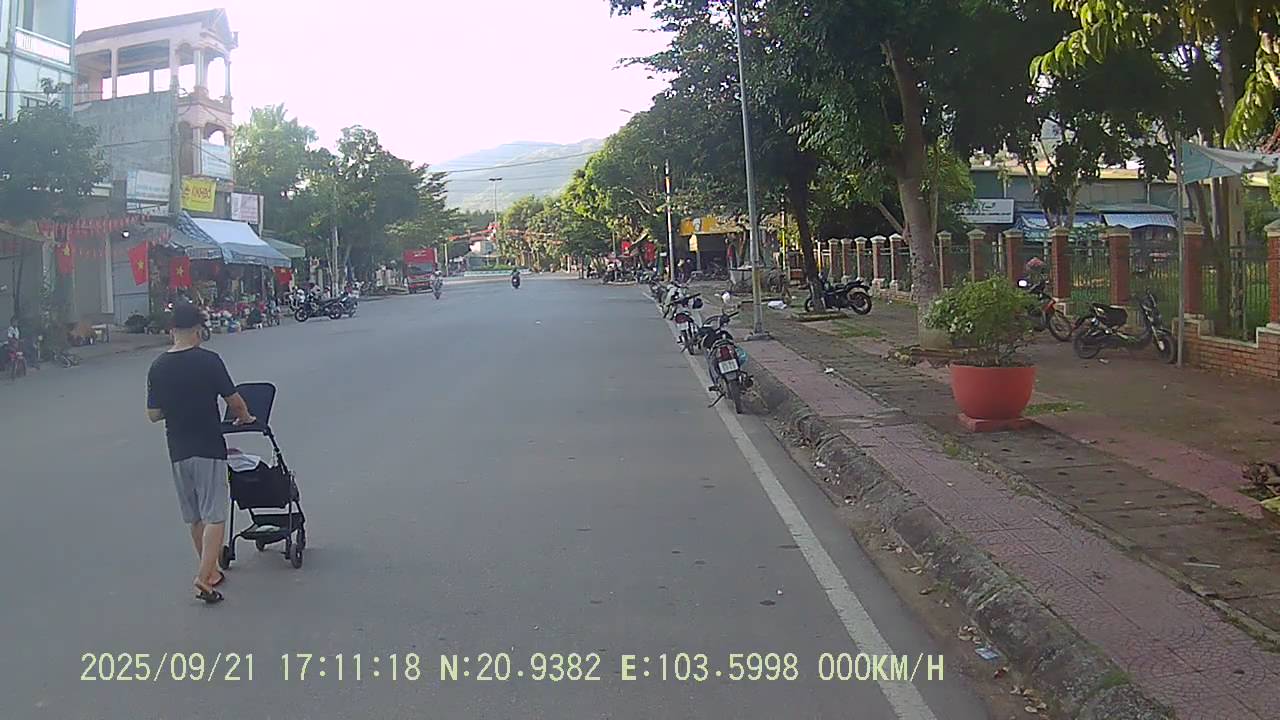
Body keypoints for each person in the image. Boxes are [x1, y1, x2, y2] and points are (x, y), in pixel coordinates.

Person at [146, 303, 255, 604]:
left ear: (172, 331)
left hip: (178, 449)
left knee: (195, 516)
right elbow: (234, 401)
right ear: (198, 330)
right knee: (215, 515)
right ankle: (203, 577)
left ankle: (212, 572)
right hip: (208, 446)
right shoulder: (209, 361)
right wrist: (245, 418)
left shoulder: (158, 366)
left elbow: (153, 414)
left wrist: (176, 406)